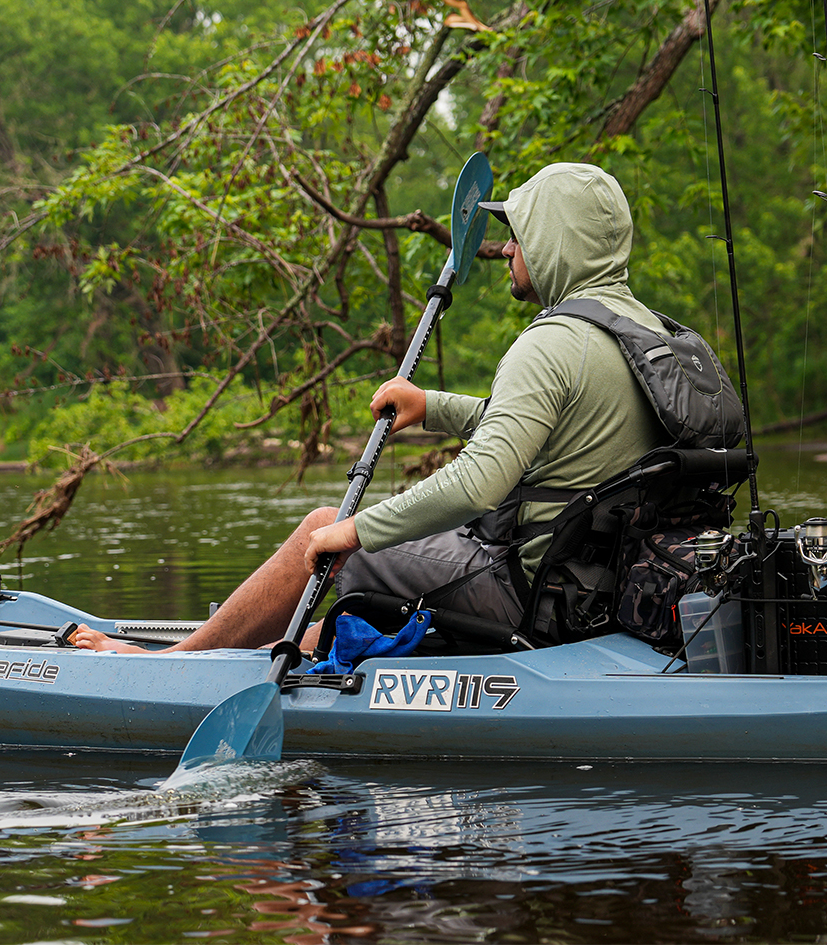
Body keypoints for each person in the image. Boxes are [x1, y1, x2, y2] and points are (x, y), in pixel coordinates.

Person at [70, 161, 667, 654]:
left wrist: (358, 530)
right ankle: (256, 653)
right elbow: (556, 430)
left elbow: (480, 484)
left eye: (521, 231)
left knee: (321, 529)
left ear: (556, 240)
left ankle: (173, 664)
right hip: (595, 589)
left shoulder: (551, 342)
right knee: (330, 601)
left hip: (526, 590)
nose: (507, 246)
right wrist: (431, 405)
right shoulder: (646, 335)